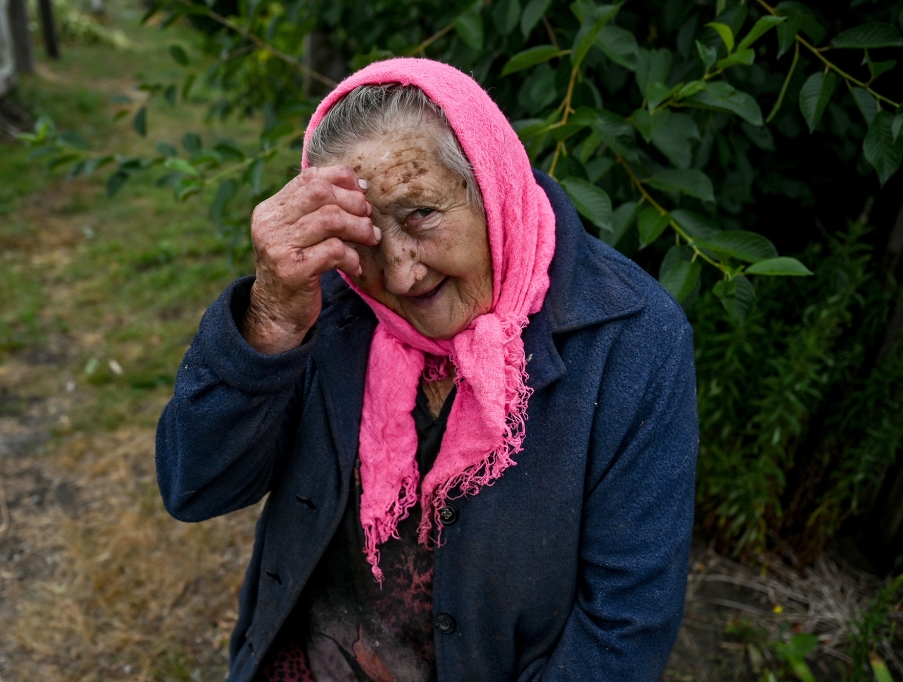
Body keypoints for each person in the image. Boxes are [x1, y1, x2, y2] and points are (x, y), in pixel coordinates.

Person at [155, 58, 698, 682]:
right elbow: (194, 488)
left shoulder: (631, 340)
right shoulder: (328, 299)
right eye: (365, 238)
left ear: (489, 185)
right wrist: (270, 322)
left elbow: (624, 627)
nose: (402, 274)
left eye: (421, 215)